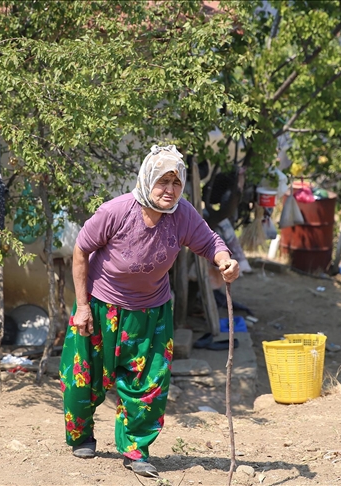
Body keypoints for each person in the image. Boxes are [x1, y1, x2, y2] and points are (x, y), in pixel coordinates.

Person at [59, 145, 239, 477]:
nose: (169, 190)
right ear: (146, 179)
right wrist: (82, 306)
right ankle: (81, 436)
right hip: (101, 306)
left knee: (148, 383)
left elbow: (210, 242)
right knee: (83, 378)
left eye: (175, 182)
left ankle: (135, 449)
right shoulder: (116, 211)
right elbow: (81, 250)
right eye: (162, 181)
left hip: (151, 312)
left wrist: (224, 259)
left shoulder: (182, 215)